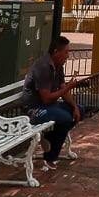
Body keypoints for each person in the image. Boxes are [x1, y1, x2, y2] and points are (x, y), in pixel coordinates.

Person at [20, 35, 83, 168]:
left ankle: (50, 137)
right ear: (56, 52)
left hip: (49, 106)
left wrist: (74, 106)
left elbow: (62, 90)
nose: (67, 56)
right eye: (65, 52)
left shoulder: (58, 66)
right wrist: (69, 87)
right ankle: (50, 156)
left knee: (79, 110)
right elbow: (46, 98)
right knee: (66, 118)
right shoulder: (43, 67)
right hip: (36, 110)